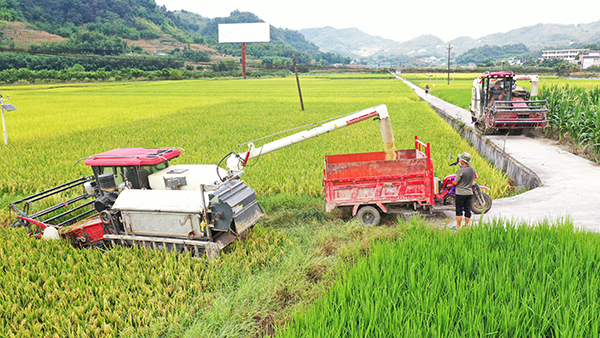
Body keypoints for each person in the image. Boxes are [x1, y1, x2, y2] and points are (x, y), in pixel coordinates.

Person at [451, 152, 476, 230]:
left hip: (460, 193)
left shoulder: (460, 170)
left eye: (460, 159)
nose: (459, 161)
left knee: (459, 209)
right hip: (469, 193)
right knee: (467, 209)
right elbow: (475, 177)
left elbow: (455, 182)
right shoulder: (472, 169)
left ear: (463, 161)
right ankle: (466, 226)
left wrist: (453, 182)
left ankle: (458, 226)